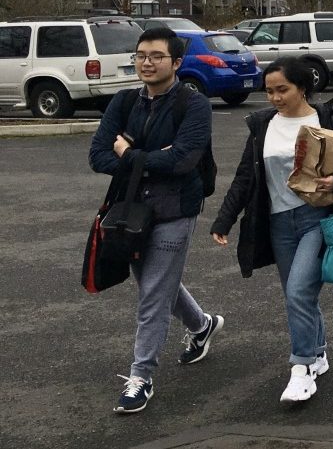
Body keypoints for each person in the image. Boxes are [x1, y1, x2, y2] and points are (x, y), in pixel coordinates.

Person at [209, 57, 333, 403]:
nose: (275, 97)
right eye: (269, 91)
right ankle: (318, 351)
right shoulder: (263, 125)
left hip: (317, 220)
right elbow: (245, 177)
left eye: (283, 90)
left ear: (302, 88)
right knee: (300, 294)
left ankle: (302, 369)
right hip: (278, 224)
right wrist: (225, 219)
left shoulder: (326, 120)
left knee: (297, 291)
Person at [89, 27, 224, 414]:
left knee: (152, 293)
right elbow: (98, 155)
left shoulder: (193, 105)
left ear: (176, 62)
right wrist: (148, 159)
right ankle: (202, 326)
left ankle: (141, 378)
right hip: (130, 209)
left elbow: (183, 160)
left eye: (156, 56)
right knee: (155, 282)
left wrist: (129, 155)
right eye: (141, 55)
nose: (146, 62)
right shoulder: (124, 101)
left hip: (176, 209)